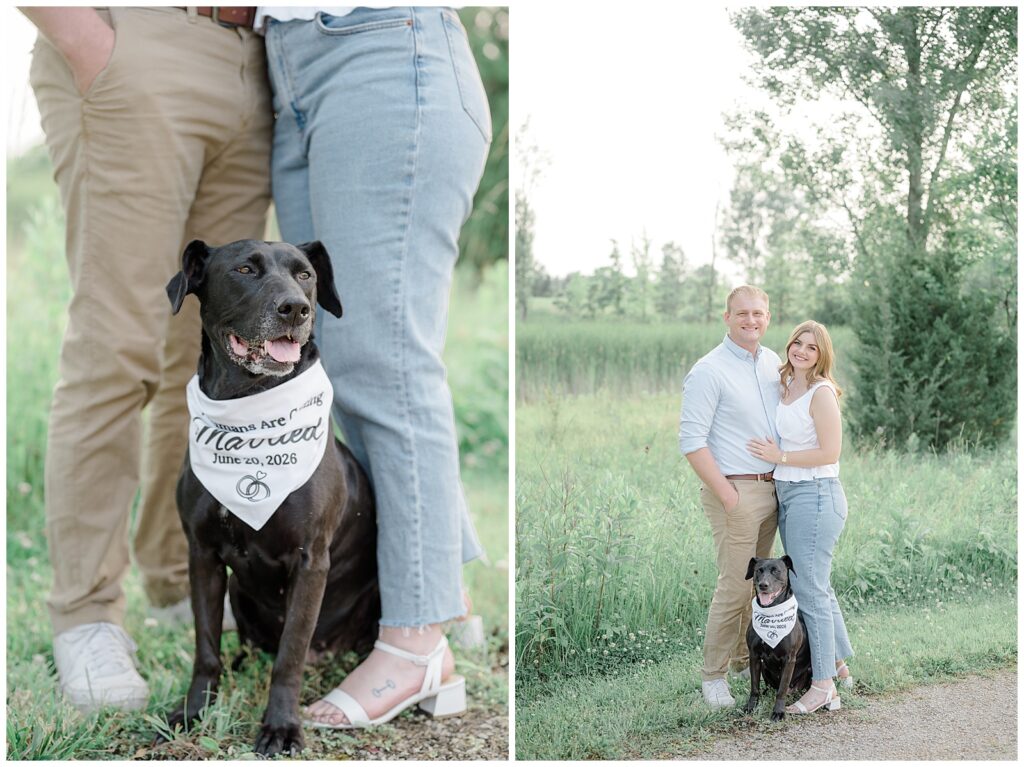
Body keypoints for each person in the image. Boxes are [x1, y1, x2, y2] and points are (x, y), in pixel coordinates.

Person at [23, 5, 271, 711]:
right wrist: (85, 38)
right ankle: (87, 613)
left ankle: (175, 574)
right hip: (136, 39)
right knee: (116, 343)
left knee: (207, 355)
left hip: (253, 55)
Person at [256, 7, 490, 727]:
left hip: (384, 50)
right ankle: (445, 588)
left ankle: (418, 642)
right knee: (337, 359)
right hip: (293, 59)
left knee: (381, 361)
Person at [679, 285, 781, 709]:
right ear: (727, 317)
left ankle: (743, 659)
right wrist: (728, 494)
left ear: (768, 317)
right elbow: (691, 440)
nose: (750, 320)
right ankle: (713, 676)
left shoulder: (774, 362)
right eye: (742, 314)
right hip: (735, 490)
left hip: (772, 488)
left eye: (758, 313)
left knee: (760, 585)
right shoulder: (709, 370)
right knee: (733, 588)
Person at [747, 320, 854, 713]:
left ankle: (823, 685)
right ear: (789, 345)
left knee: (809, 589)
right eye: (798, 343)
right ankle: (839, 665)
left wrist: (781, 457)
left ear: (822, 355)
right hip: (790, 493)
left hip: (816, 495)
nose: (803, 351)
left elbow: (830, 452)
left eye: (812, 347)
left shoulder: (821, 392)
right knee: (816, 585)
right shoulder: (787, 384)